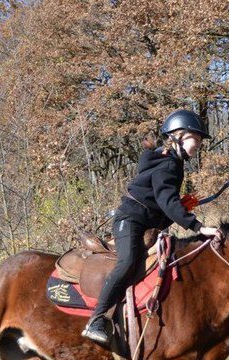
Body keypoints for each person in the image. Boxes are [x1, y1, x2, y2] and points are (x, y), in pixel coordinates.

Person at [81, 109, 220, 346]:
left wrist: (180, 208)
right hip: (130, 221)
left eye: (199, 140)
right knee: (128, 262)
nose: (198, 145)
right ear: (178, 135)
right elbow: (166, 201)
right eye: (195, 138)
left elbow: (162, 204)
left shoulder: (171, 162)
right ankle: (96, 319)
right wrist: (197, 225)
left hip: (148, 225)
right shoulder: (168, 164)